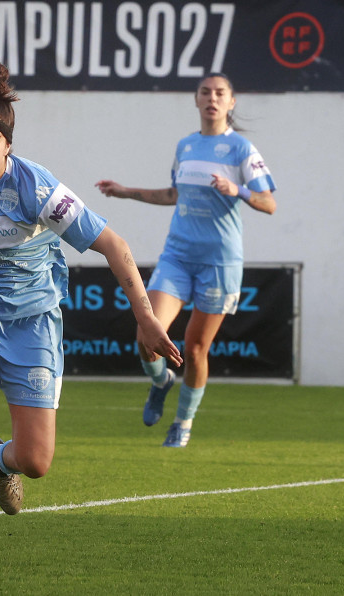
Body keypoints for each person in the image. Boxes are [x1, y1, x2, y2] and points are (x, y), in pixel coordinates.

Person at [0, 63, 182, 568]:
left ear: (8, 146)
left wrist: (147, 318)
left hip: (32, 323)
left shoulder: (37, 189)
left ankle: (0, 460)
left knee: (37, 461)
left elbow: (113, 245)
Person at [96, 72, 277, 448]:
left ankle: (183, 422)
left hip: (219, 262)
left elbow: (269, 203)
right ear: (196, 100)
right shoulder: (186, 146)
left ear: (231, 102)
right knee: (147, 335)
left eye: (220, 93)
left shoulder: (242, 149)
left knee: (195, 349)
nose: (212, 98)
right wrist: (125, 192)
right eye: (205, 92)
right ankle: (161, 381)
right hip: (178, 255)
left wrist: (238, 189)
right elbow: (173, 194)